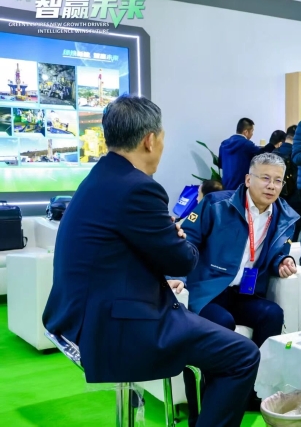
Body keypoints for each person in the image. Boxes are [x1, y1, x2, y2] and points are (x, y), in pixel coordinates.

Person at [42, 95, 260, 427]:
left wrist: (166, 239)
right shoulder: (139, 189)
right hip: (118, 324)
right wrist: (178, 239)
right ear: (150, 140)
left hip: (82, 312)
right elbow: (183, 261)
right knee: (243, 354)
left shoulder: (100, 177)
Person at [181, 152, 300, 423]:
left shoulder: (285, 215)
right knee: (222, 321)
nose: (271, 186)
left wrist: (283, 261)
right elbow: (187, 240)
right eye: (265, 178)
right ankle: (212, 397)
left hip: (244, 292)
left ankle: (254, 391)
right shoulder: (216, 204)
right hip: (210, 289)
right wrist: (178, 275)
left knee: (271, 314)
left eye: (278, 181)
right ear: (248, 179)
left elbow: (277, 252)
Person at [274, 125, 301, 241]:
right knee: (294, 229)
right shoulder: (298, 155)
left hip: (276, 196)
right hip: (295, 197)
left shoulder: (275, 152)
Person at [218, 117, 262, 190]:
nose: (252, 134)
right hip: (241, 187)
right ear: (246, 132)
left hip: (225, 186)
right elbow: (262, 156)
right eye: (252, 131)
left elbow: (220, 164)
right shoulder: (247, 144)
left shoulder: (223, 144)